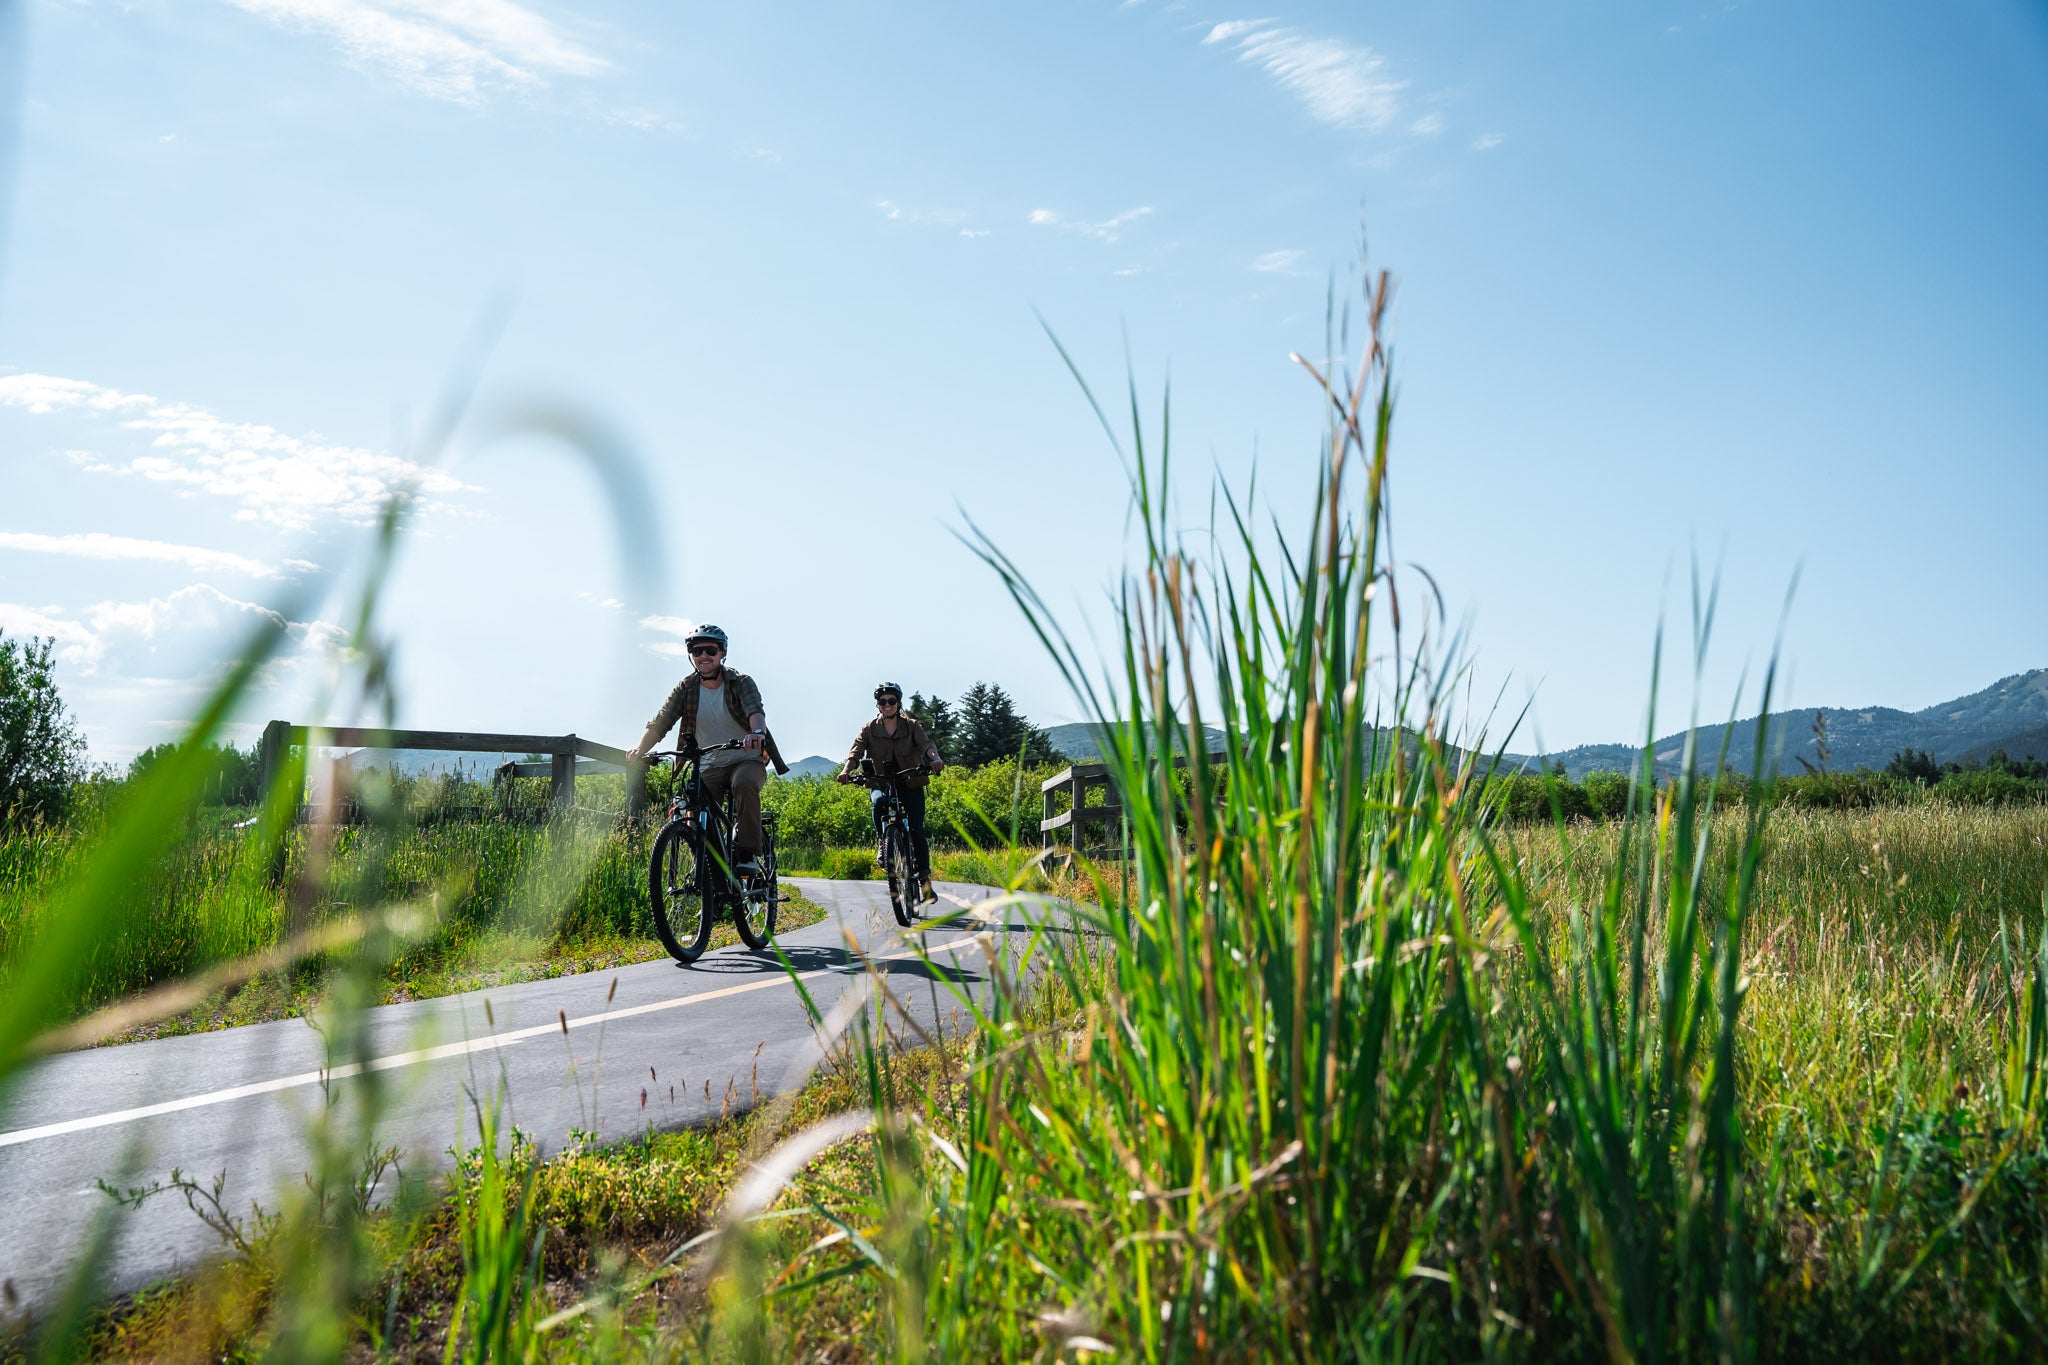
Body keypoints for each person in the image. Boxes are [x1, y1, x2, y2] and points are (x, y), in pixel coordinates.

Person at [627, 624, 788, 874]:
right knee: (693, 802)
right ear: (690, 654)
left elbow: (755, 710)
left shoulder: (740, 682)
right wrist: (640, 749)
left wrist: (757, 734)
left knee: (744, 782)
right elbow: (661, 721)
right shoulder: (686, 688)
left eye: (710, 650)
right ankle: (708, 870)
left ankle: (747, 854)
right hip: (709, 762)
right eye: (696, 650)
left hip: (745, 758)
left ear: (722, 653)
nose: (703, 656)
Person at [838, 682, 944, 901]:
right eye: (882, 701)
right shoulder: (869, 729)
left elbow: (926, 745)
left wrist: (935, 759)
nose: (887, 705)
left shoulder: (911, 726)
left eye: (891, 701)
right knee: (879, 804)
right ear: (877, 705)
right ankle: (883, 841)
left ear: (898, 702)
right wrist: (846, 770)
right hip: (881, 782)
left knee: (916, 829)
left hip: (910, 781)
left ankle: (924, 882)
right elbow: (856, 750)